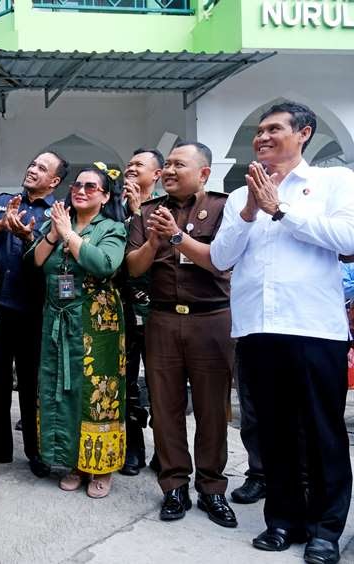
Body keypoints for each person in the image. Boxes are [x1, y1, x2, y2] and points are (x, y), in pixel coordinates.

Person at [210, 101, 354, 563]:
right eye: (259, 131)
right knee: (273, 431)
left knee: (322, 433)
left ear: (304, 133)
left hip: (313, 328)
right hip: (257, 329)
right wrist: (251, 210)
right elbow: (221, 258)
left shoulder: (333, 182)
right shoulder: (239, 197)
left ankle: (325, 530)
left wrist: (280, 209)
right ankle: (283, 520)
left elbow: (348, 239)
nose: (262, 137)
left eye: (274, 129)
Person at [126, 142, 237, 528]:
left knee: (212, 409)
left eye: (179, 164)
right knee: (166, 407)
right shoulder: (146, 212)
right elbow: (134, 268)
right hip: (163, 320)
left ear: (204, 173)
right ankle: (174, 485)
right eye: (167, 164)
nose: (169, 171)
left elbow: (222, 263)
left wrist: (176, 236)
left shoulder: (223, 208)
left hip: (212, 320)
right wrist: (154, 242)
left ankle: (212, 487)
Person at [30, 162, 127, 498]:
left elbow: (104, 265)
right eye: (77, 186)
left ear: (105, 196)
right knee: (62, 389)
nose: (81, 191)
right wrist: (54, 233)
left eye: (90, 187)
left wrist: (68, 235)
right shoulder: (58, 222)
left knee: (98, 393)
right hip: (58, 320)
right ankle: (72, 461)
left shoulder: (112, 228)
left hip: (97, 325)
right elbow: (36, 261)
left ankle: (100, 466)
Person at [0, 150, 68, 476]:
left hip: (35, 310)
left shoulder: (59, 213)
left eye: (42, 168)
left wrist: (29, 236)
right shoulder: (3, 202)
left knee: (33, 383)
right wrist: (1, 224)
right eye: (33, 164)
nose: (33, 169)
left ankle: (36, 451)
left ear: (54, 181)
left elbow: (58, 257)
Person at [118, 148, 164, 476]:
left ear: (157, 174)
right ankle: (133, 446)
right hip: (121, 307)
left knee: (163, 384)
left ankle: (166, 450)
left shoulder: (165, 208)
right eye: (130, 163)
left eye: (139, 165)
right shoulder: (111, 207)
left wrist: (138, 214)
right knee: (127, 381)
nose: (131, 168)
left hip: (158, 309)